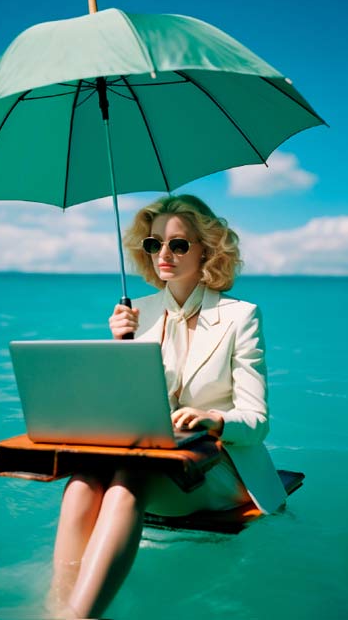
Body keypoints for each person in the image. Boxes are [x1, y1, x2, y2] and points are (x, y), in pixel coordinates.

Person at [48, 194, 287, 618]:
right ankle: (55, 604)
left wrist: (214, 419)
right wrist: (121, 346)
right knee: (82, 480)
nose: (164, 254)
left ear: (207, 250)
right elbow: (123, 414)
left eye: (178, 244)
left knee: (125, 484)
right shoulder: (134, 313)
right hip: (151, 458)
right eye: (154, 244)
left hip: (214, 468)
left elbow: (257, 422)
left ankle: (78, 617)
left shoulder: (241, 316)